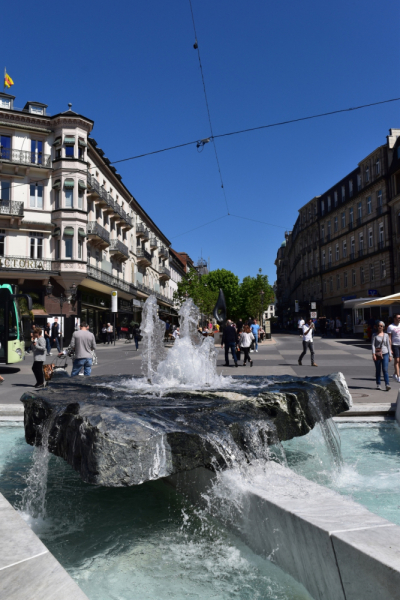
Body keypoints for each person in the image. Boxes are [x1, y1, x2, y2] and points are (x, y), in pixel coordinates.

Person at [372, 321, 392, 391]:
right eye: (378, 326)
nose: (379, 327)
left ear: (383, 327)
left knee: (385, 369)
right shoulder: (374, 335)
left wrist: (390, 355)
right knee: (378, 370)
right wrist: (373, 354)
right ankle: (378, 384)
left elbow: (388, 346)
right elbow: (373, 345)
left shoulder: (386, 335)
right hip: (377, 354)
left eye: (381, 326)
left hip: (385, 353)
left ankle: (387, 384)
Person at [387, 313, 400, 382]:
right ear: (395, 319)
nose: (399, 319)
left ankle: (395, 374)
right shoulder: (390, 327)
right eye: (398, 318)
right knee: (397, 360)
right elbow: (389, 338)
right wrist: (390, 348)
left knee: (399, 362)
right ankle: (398, 376)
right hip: (395, 345)